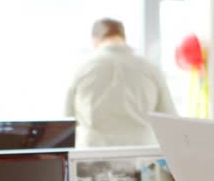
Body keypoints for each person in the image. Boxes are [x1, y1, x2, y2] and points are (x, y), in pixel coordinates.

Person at [65, 18, 176, 147]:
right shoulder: (151, 69)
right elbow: (170, 119)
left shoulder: (82, 69)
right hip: (142, 156)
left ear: (95, 40)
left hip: (91, 155)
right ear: (123, 37)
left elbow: (66, 121)